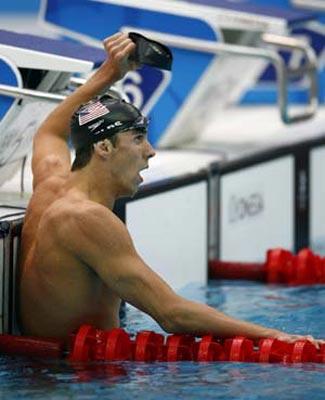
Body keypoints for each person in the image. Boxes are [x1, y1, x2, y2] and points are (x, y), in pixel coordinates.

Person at [19, 32, 322, 347]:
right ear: (104, 147)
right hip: (73, 382)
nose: (150, 151)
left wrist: (110, 73)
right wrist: (275, 336)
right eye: (138, 139)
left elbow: (49, 133)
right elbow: (171, 314)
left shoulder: (51, 185)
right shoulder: (85, 219)